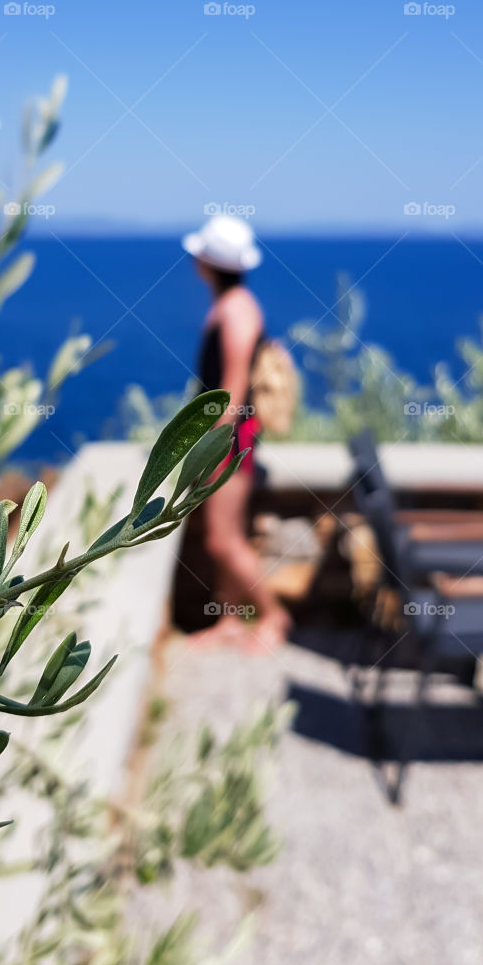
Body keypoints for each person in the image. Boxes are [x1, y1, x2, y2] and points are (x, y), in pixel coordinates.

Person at [182, 215, 290, 650]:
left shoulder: (236, 311)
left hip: (231, 439)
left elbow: (230, 388)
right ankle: (229, 616)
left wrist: (214, 448)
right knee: (227, 536)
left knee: (221, 540)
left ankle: (272, 615)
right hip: (233, 437)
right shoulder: (235, 306)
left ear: (207, 262)